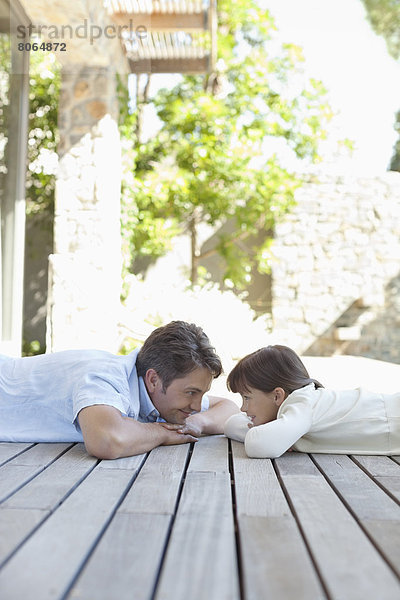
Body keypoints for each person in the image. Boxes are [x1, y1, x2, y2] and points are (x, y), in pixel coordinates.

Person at [0, 321, 239, 459]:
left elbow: (228, 407)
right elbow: (106, 441)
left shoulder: (166, 394)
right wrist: (162, 433)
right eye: (191, 393)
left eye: (202, 394)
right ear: (153, 380)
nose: (197, 406)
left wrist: (196, 424)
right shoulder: (103, 376)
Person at [223, 344, 400, 458]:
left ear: (277, 396)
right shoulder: (294, 408)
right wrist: (278, 433)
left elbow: (259, 445)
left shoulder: (302, 403)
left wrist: (276, 436)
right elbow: (231, 424)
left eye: (247, 398)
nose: (243, 408)